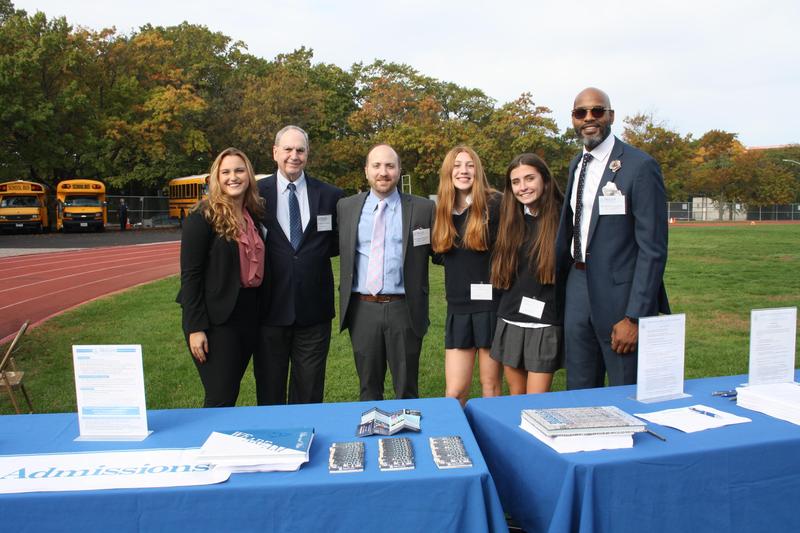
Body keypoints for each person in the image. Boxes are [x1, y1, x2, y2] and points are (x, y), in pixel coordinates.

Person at [556, 87, 670, 389]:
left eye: (597, 111)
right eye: (581, 113)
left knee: (625, 387)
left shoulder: (639, 166)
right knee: (579, 389)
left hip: (621, 298)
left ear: (611, 116)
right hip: (578, 286)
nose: (589, 118)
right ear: (573, 119)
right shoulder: (576, 165)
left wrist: (634, 316)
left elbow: (653, 249)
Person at [337, 144, 435, 401]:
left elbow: (444, 252)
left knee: (407, 388)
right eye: (377, 166)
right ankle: (371, 437)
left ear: (399, 170)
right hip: (363, 309)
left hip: (405, 308)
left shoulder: (423, 209)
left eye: (390, 166)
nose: (383, 172)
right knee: (368, 388)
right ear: (366, 171)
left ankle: (408, 440)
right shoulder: (346, 207)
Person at [254, 125, 344, 405]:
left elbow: (336, 243)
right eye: (288, 149)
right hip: (268, 311)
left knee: (309, 393)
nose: (294, 155)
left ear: (308, 154)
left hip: (314, 312)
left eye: (300, 150)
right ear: (275, 152)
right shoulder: (254, 194)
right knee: (270, 392)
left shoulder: (331, 195)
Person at [176, 147, 266, 407]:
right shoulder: (202, 217)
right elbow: (190, 276)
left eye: (239, 170)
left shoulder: (253, 217)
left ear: (248, 175)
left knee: (230, 391)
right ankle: (206, 445)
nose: (233, 177)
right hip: (216, 322)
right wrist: (195, 328)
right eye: (225, 172)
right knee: (220, 395)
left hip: (248, 317)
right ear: (216, 177)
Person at [431, 145, 502, 406]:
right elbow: (439, 254)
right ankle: (457, 444)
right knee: (455, 393)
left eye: (469, 165)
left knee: (490, 389)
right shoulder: (441, 211)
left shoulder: (495, 204)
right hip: (458, 309)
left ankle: (490, 444)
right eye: (457, 165)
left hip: (490, 308)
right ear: (448, 172)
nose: (463, 171)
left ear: (477, 170)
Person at [490, 154, 565, 394]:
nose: (523, 187)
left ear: (544, 179)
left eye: (529, 178)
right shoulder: (511, 220)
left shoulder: (565, 220)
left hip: (545, 323)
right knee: (515, 400)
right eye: (516, 182)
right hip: (511, 318)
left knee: (535, 403)